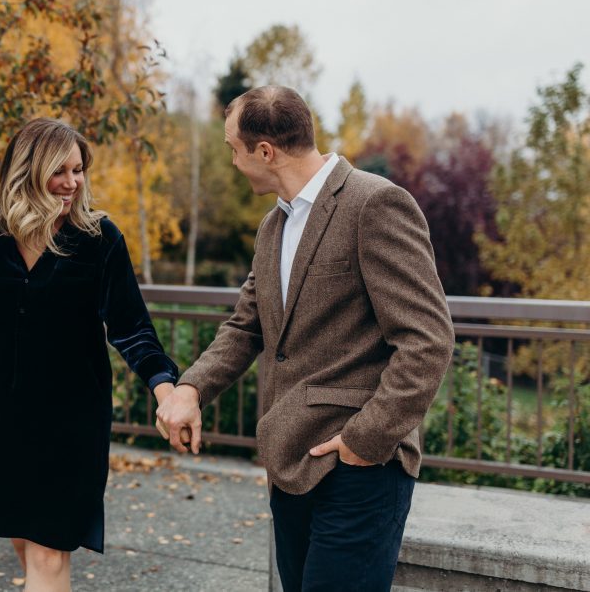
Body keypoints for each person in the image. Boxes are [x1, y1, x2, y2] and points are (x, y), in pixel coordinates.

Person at [155, 86, 454, 592]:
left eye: (234, 149)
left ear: (265, 152)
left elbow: (428, 339)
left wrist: (366, 439)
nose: (232, 162)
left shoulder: (375, 203)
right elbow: (246, 326)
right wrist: (191, 389)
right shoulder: (273, 226)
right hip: (289, 463)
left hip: (360, 467)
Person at [0, 117, 178, 591]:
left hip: (71, 419)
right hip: (5, 413)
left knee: (49, 552)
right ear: (29, 171)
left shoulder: (99, 238)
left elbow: (132, 326)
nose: (72, 183)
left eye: (78, 170)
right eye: (61, 171)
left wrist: (165, 386)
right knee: (22, 539)